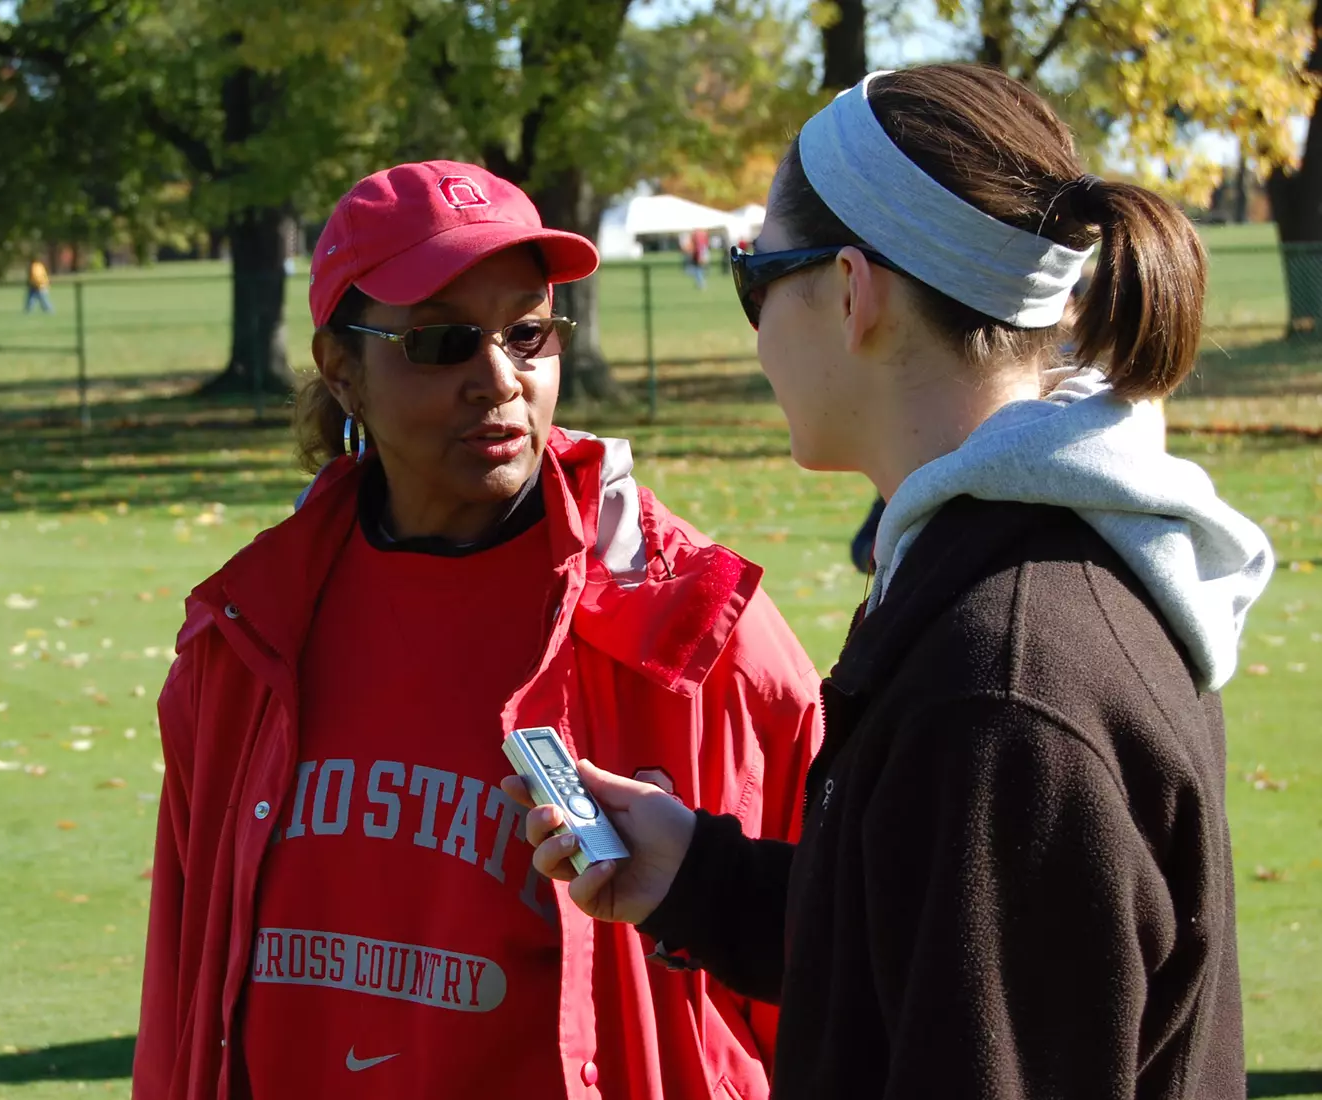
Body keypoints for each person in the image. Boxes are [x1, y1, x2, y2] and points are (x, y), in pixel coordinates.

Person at [512, 65, 1274, 1100]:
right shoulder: (1013, 575)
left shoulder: (1000, 681)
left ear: (848, 291)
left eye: (756, 275)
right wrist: (698, 877)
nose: (754, 327)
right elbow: (920, 950)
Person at [133, 160, 824, 1100]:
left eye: (528, 333)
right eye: (442, 343)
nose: (498, 378)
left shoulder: (693, 630)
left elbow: (836, 959)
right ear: (343, 371)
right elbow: (185, 992)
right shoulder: (242, 641)